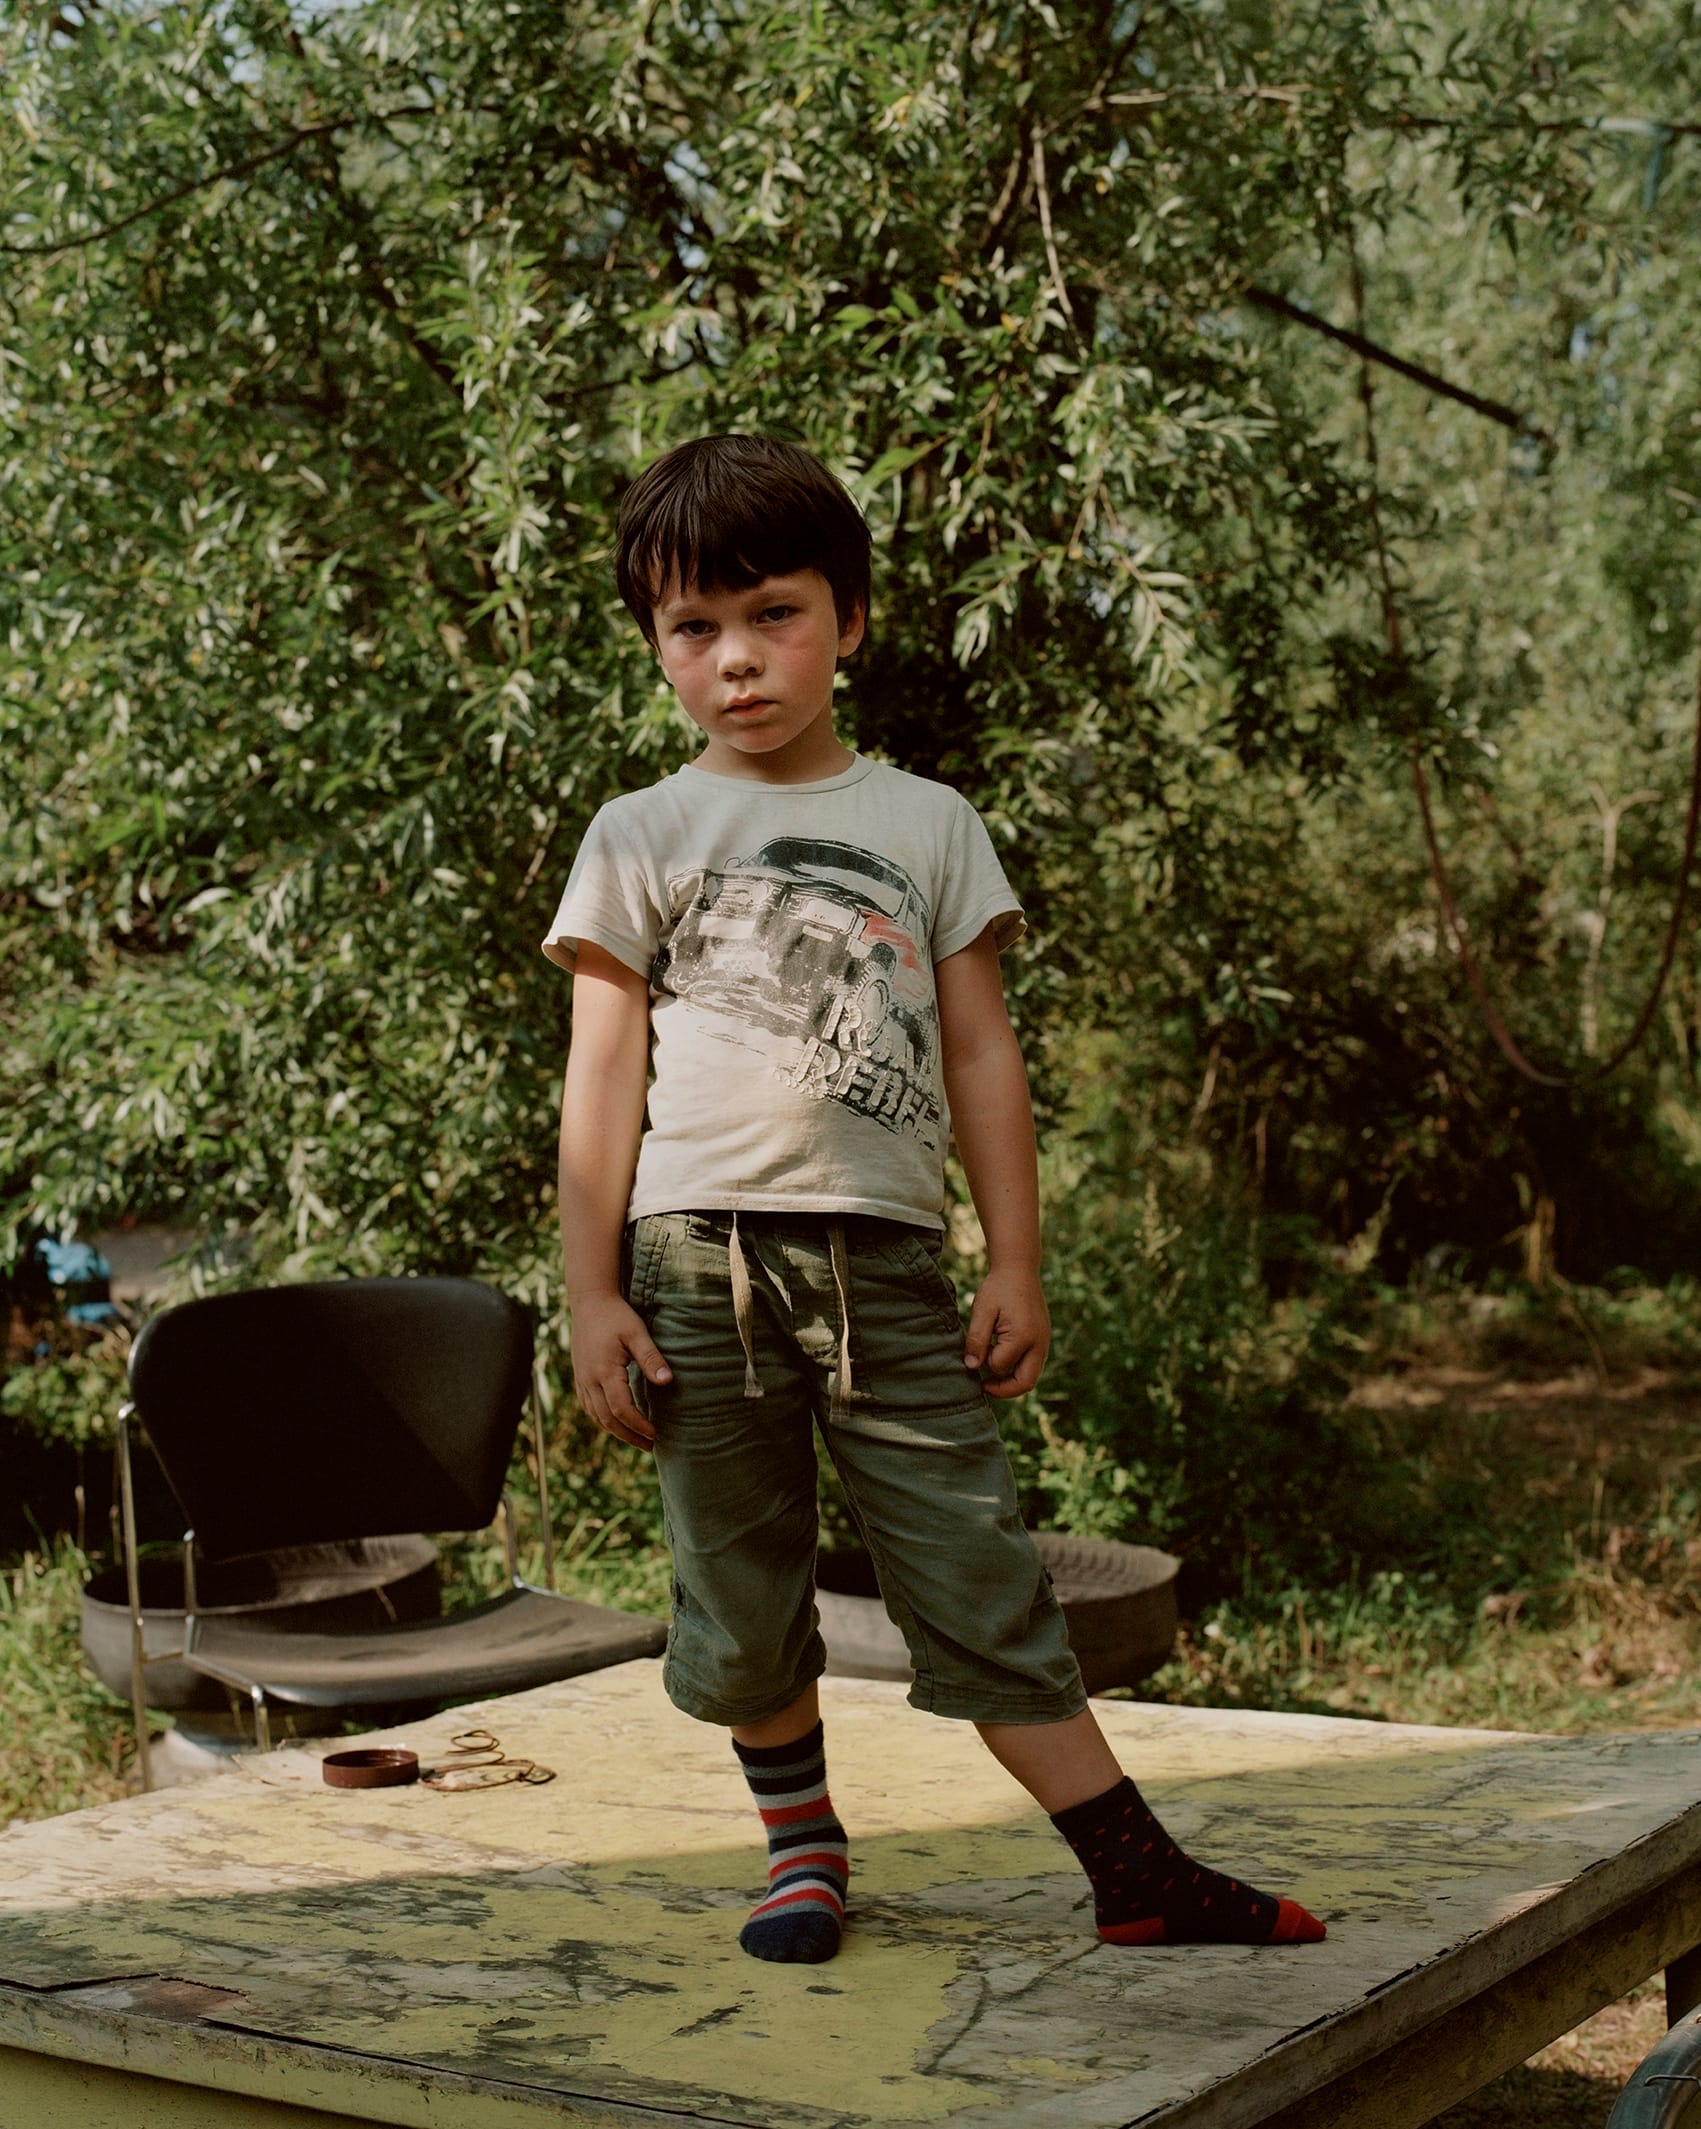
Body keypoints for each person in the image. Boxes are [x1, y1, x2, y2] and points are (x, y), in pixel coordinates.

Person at [545, 433, 1326, 1966]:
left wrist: (1013, 1257)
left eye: (771, 613)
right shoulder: (639, 833)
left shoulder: (926, 820)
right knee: (739, 1583)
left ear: (848, 615)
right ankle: (801, 1847)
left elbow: (979, 1048)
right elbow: (600, 1079)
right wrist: (589, 1289)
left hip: (890, 1265)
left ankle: (1133, 1868)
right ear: (655, 647)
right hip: (696, 1268)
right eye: (690, 630)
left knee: (974, 1565)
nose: (735, 660)